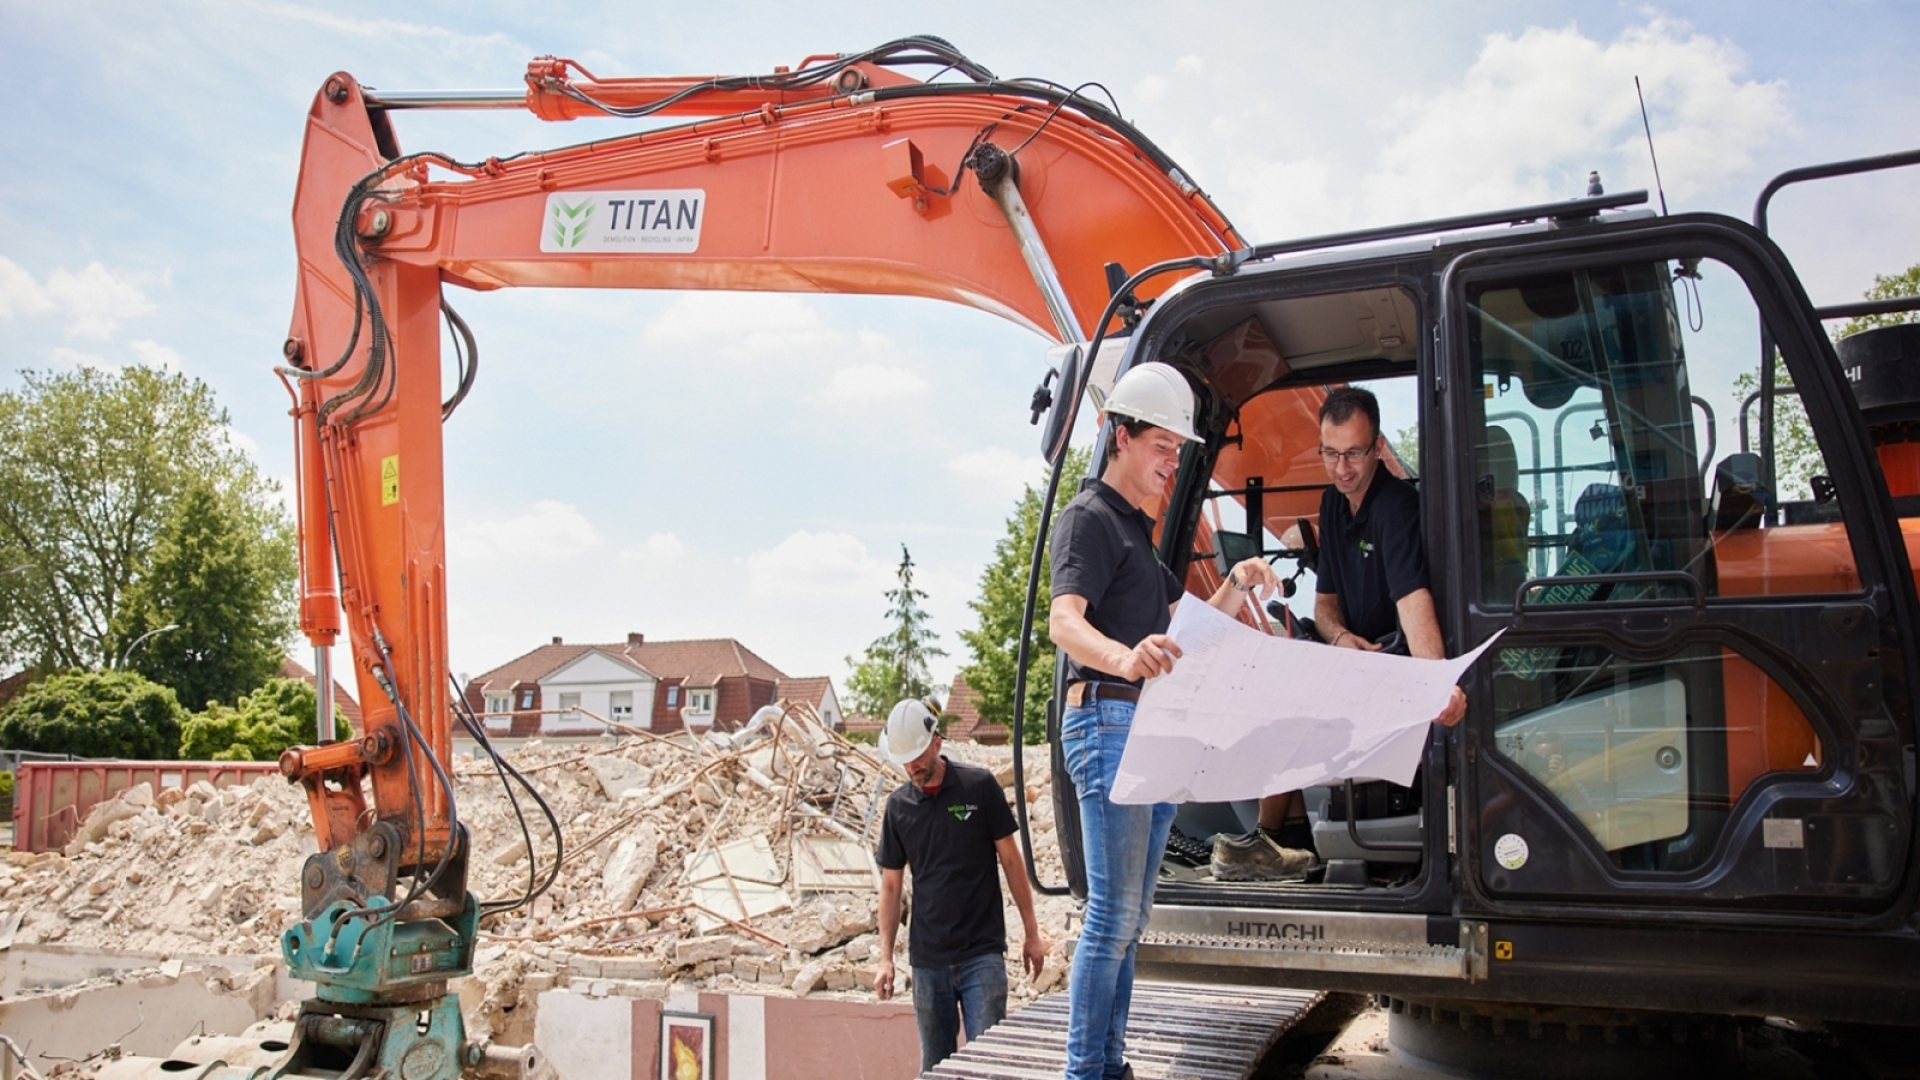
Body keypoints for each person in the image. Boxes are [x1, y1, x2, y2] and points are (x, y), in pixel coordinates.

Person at [1048, 361, 1283, 1080]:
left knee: (1131, 920)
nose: (1172, 464)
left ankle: (1108, 1066)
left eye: (1180, 453)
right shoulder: (1087, 519)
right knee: (1112, 917)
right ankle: (1089, 1071)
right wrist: (1124, 659)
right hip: (1108, 724)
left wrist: (1239, 584)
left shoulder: (1138, 537)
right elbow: (1065, 622)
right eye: (1163, 447)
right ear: (1119, 436)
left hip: (1145, 732)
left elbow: (1188, 634)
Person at [1213, 384, 1467, 880]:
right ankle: (1286, 837)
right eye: (1331, 454)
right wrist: (1336, 638)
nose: (1342, 467)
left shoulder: (1395, 508)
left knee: (1288, 694)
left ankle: (1268, 841)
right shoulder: (1333, 505)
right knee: (1274, 664)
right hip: (1353, 655)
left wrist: (1437, 684)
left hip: (1390, 661)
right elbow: (1325, 605)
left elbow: (1414, 602)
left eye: (1354, 453)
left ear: (1376, 448)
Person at [873, 699, 1048, 1074]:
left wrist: (1032, 933)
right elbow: (890, 888)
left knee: (988, 1066)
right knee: (935, 1069)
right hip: (927, 962)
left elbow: (1012, 861)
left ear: (936, 742)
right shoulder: (898, 808)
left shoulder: (978, 786)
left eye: (918, 756)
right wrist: (886, 958)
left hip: (981, 955)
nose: (913, 767)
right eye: (905, 761)